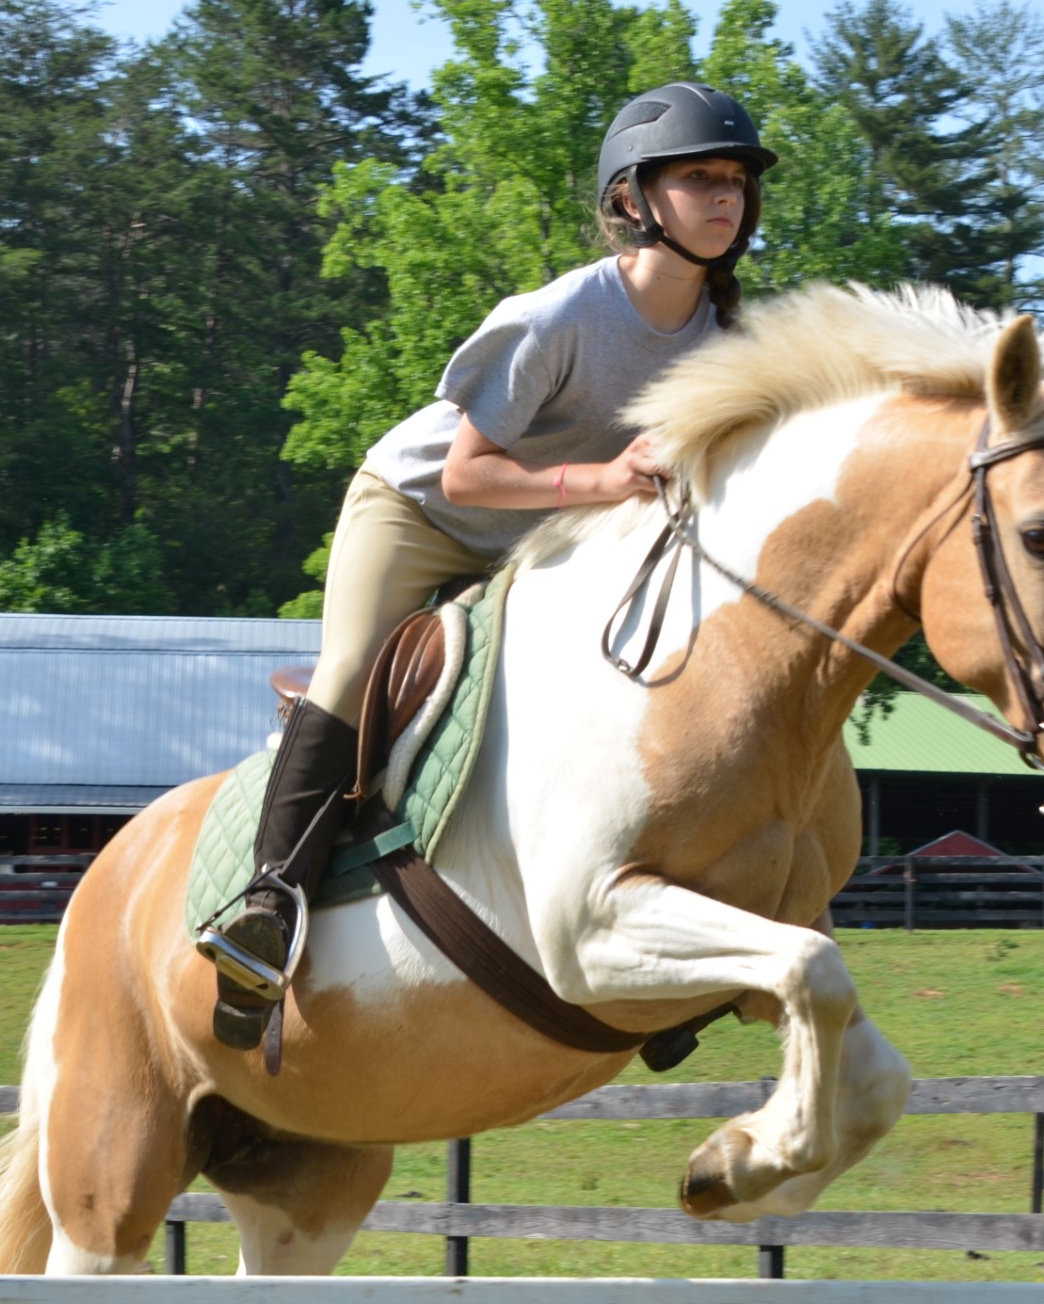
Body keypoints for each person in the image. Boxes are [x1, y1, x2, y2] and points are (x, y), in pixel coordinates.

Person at [197, 81, 779, 1050]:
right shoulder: (564, 314)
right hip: (420, 509)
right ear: (635, 199)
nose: (726, 196)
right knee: (351, 671)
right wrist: (602, 482)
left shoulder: (728, 340)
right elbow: (467, 475)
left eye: (735, 182)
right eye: (700, 178)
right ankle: (267, 909)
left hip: (540, 539)